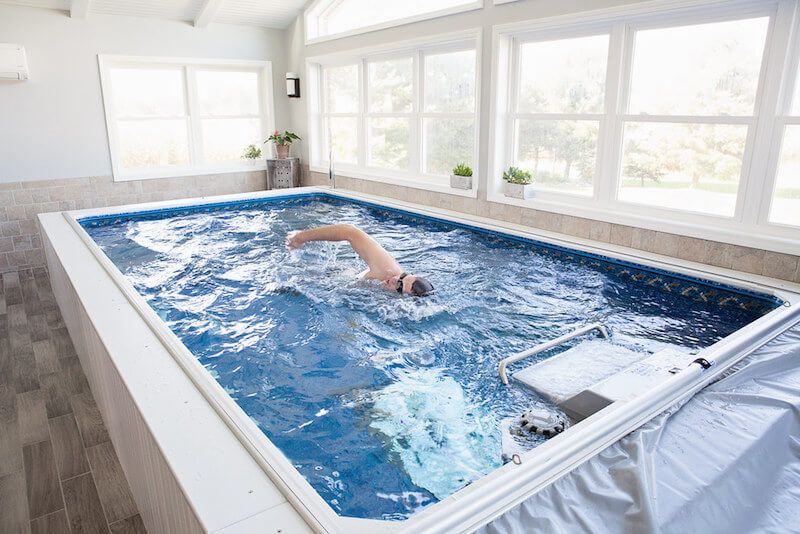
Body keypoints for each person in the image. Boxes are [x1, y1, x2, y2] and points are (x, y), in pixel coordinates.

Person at [285, 224, 434, 297]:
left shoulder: (396, 310)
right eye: (402, 276)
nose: (394, 279)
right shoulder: (387, 269)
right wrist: (301, 237)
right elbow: (350, 231)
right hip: (337, 277)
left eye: (400, 286)